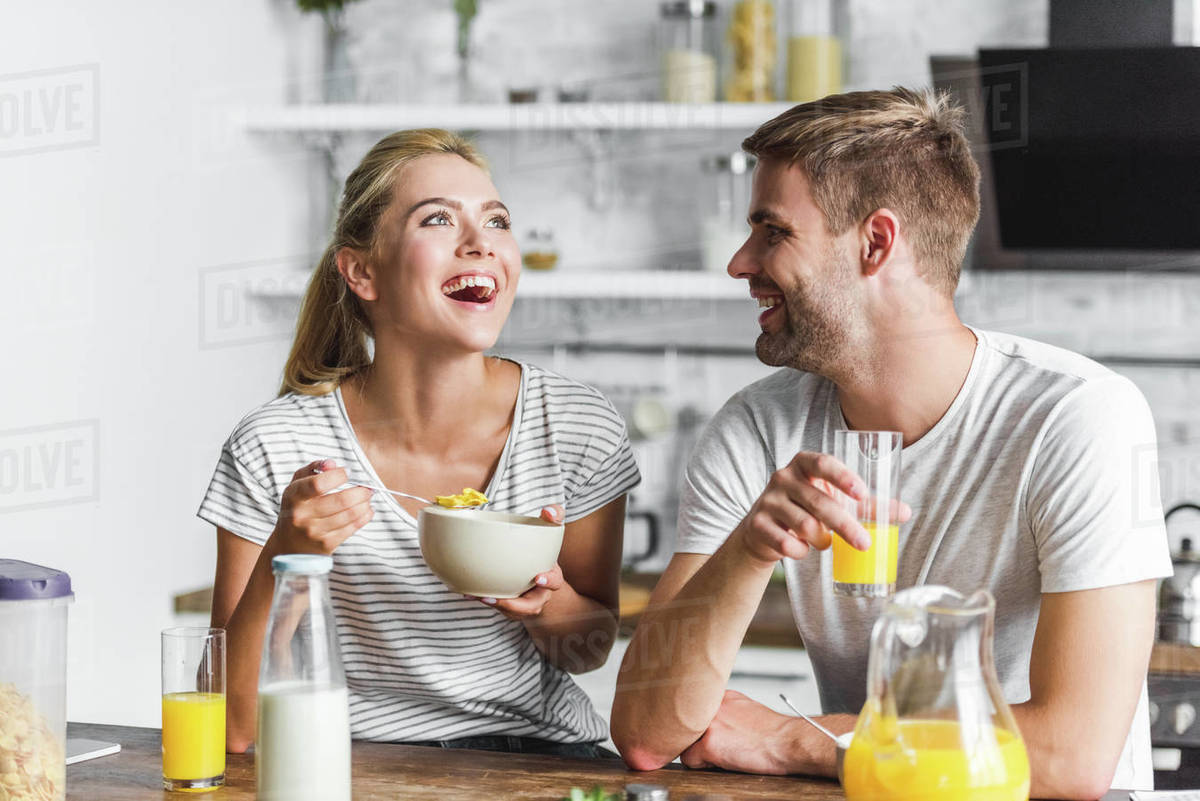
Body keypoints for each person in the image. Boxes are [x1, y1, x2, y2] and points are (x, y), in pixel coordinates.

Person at [610, 88, 1171, 797]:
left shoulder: (1080, 417)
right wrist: (750, 552)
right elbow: (645, 731)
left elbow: (1072, 756)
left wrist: (799, 738)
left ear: (876, 242)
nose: (740, 262)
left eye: (773, 231)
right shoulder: (757, 428)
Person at [199, 129, 639, 757]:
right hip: (342, 762)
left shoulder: (575, 425)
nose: (481, 242)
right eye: (438, 219)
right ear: (360, 271)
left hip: (534, 761)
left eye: (497, 220)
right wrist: (288, 554)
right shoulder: (275, 443)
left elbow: (589, 650)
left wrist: (549, 602)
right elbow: (231, 725)